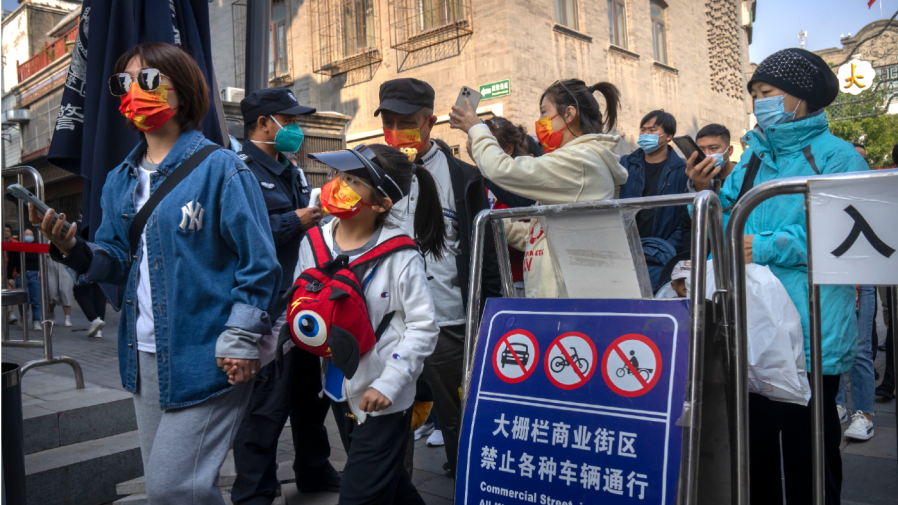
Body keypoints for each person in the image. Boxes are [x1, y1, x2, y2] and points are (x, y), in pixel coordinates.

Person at [31, 42, 280, 505]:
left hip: (210, 354)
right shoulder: (118, 179)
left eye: (148, 81)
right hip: (142, 357)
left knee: (172, 488)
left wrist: (242, 337)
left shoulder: (222, 169)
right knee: (177, 491)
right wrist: (73, 249)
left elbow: (259, 263)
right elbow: (114, 259)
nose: (133, 92)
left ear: (181, 91)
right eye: (124, 83)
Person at [687, 47, 867, 505]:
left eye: (766, 92)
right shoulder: (750, 160)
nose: (757, 103)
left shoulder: (838, 157)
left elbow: (849, 237)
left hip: (810, 327)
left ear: (801, 97)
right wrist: (704, 193)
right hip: (750, 327)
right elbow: (720, 223)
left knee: (810, 451)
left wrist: (764, 246)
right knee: (755, 448)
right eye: (753, 95)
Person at [274, 143, 444, 504]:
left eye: (351, 179)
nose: (336, 184)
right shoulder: (315, 241)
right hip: (338, 386)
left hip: (385, 396)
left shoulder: (400, 255)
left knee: (358, 494)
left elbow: (424, 326)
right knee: (390, 483)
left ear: (382, 203)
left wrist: (390, 383)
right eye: (338, 175)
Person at [377, 77, 501, 476]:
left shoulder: (464, 178)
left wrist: (488, 312)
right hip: (387, 321)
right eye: (389, 121)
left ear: (430, 122)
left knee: (456, 416)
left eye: (407, 122)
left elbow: (486, 250)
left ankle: (464, 478)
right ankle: (395, 491)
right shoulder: (370, 172)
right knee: (391, 419)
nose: (396, 132)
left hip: (448, 319)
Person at [230, 88, 341, 504]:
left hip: (305, 302)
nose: (296, 129)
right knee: (265, 408)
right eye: (289, 121)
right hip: (268, 308)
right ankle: (255, 490)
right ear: (264, 123)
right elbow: (243, 238)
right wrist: (297, 220)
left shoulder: (290, 169)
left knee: (310, 401)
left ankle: (314, 470)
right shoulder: (237, 170)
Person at [450, 79, 628, 299]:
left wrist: (477, 128)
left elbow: (503, 169)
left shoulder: (581, 160)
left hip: (570, 298)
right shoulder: (577, 158)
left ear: (569, 114)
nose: (540, 122)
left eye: (545, 113)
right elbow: (541, 234)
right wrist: (495, 224)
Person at [618, 110, 689, 291]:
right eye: (643, 130)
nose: (645, 135)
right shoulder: (626, 164)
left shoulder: (682, 169)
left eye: (652, 130)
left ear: (668, 136)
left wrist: (664, 250)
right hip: (626, 251)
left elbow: (684, 219)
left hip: (662, 257)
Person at [681, 123, 738, 256]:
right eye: (701, 150)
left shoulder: (743, 178)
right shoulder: (694, 181)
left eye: (713, 148)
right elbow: (688, 227)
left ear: (729, 150)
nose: (707, 155)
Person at [71, 216, 107, 338]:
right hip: (101, 259)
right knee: (98, 292)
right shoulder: (99, 222)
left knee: (80, 291)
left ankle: (94, 320)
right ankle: (99, 326)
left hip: (85, 261)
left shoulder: (77, 225)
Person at [7, 229, 42, 331]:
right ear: (22, 236)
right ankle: (24, 316)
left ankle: (36, 321)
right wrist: (10, 277)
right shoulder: (17, 247)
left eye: (31, 234)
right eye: (27, 234)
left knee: (36, 300)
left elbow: (40, 260)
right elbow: (11, 263)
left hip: (34, 275)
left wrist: (39, 270)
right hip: (20, 274)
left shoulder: (36, 246)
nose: (29, 236)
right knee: (23, 300)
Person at [46, 257, 75, 327]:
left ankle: (67, 317)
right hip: (51, 260)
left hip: (66, 261)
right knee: (51, 291)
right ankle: (51, 312)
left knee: (66, 291)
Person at [5, 224, 20, 325]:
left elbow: (18, 260)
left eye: (8, 231)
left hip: (11, 274)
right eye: (4, 231)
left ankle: (10, 314)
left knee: (9, 293)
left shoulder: (15, 243)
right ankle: (10, 314)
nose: (6, 233)